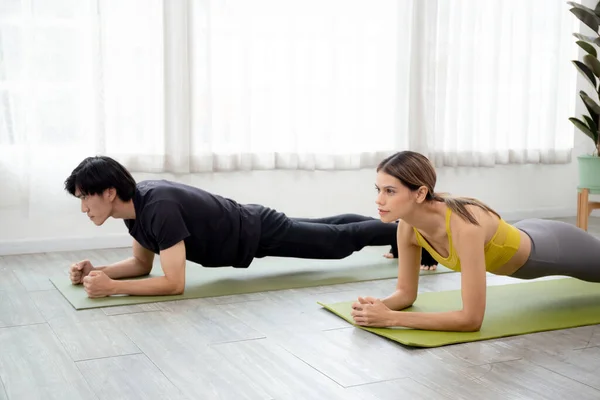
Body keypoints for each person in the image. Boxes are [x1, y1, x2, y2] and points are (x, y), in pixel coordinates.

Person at [64, 155, 436, 298]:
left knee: (336, 243)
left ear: (110, 191)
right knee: (334, 230)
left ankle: (419, 236)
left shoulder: (156, 207)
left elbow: (174, 284)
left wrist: (113, 289)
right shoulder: (133, 213)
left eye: (85, 197)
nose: (83, 207)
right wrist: (99, 271)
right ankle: (398, 234)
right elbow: (142, 266)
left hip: (255, 230)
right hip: (250, 224)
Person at [350, 151, 600, 332]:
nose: (379, 200)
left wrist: (392, 319)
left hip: (553, 248)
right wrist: (377, 307)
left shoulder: (464, 225)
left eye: (390, 191)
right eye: (378, 190)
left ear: (421, 193)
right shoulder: (407, 227)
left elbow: (471, 320)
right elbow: (405, 294)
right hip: (528, 230)